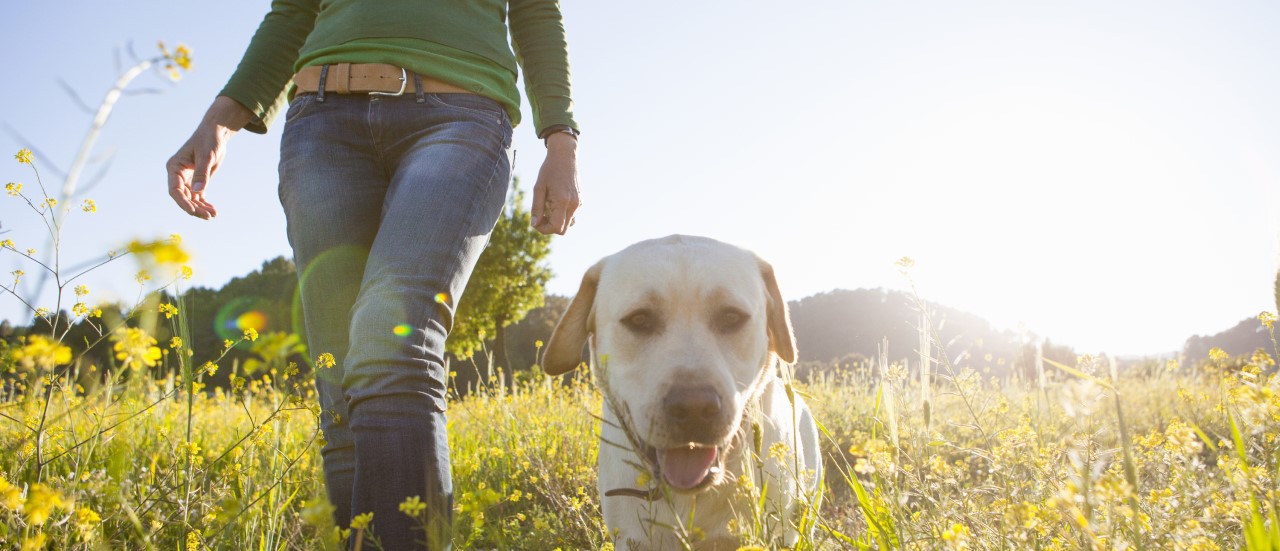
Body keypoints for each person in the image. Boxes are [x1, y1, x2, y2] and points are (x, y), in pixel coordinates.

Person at [164, 1, 579, 548]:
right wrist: (220, 121)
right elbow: (291, 15)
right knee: (339, 384)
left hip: (461, 114)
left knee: (394, 339)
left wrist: (561, 139)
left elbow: (535, 13)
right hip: (321, 121)